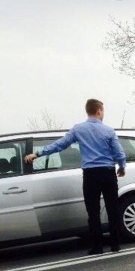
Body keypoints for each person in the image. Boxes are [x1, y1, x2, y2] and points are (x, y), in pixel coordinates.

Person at [24, 99, 126, 254]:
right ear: (99, 111)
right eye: (103, 111)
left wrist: (37, 153)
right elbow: (119, 153)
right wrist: (122, 166)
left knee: (92, 211)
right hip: (107, 173)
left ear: (88, 111)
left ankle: (97, 247)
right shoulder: (109, 131)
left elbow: (60, 144)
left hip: (90, 175)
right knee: (113, 208)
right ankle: (115, 244)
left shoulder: (78, 130)